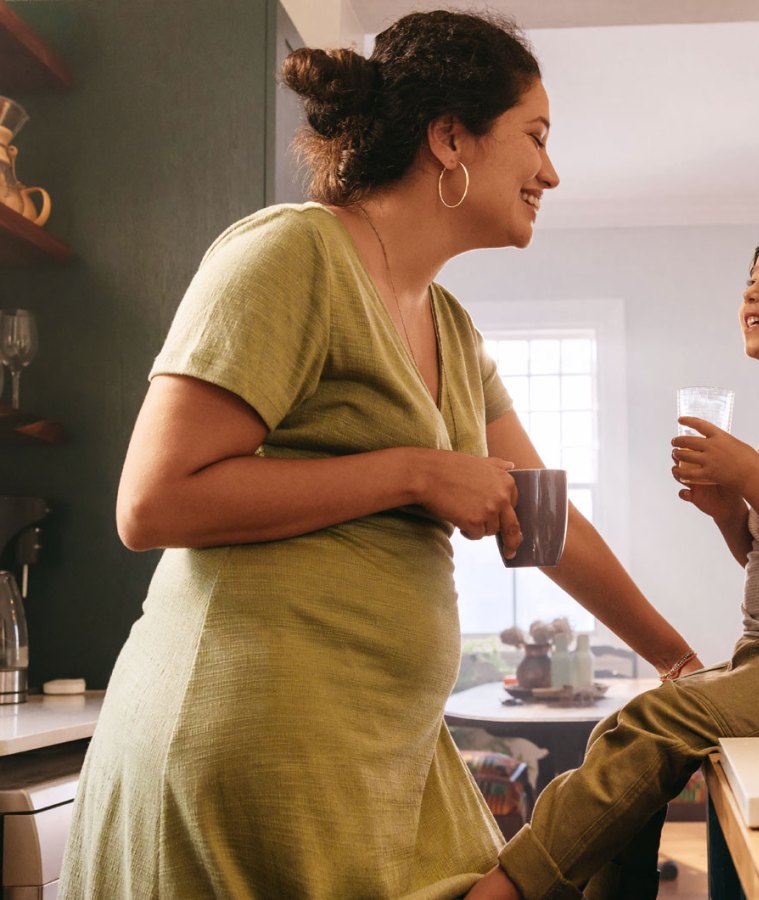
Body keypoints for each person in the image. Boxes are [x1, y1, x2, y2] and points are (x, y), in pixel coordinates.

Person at [60, 11, 701, 899]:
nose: (551, 172)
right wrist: (415, 472)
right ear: (450, 137)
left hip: (379, 749)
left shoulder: (454, 330)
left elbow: (545, 521)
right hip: (247, 740)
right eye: (536, 137)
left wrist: (681, 666)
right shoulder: (290, 254)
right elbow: (153, 501)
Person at [468, 213, 759, 899]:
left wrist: (753, 480)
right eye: (752, 278)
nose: (752, 291)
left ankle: (511, 887)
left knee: (653, 721)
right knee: (622, 732)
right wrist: (730, 513)